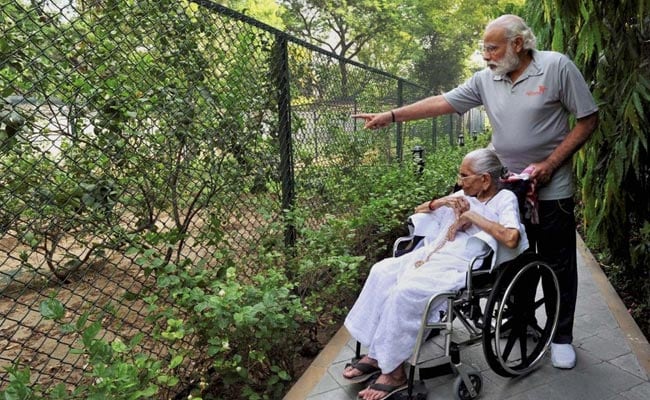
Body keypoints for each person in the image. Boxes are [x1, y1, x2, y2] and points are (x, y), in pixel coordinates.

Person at [352, 14, 598, 371]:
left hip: (551, 187)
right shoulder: (486, 80)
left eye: (492, 48)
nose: (486, 56)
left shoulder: (556, 67)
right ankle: (521, 321)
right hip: (508, 188)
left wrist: (550, 164)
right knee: (513, 259)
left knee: (558, 261)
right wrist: (391, 116)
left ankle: (561, 337)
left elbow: (588, 119)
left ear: (518, 44)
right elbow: (442, 102)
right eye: (484, 49)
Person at [343, 148, 528, 400]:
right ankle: (377, 354)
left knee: (404, 291)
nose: (459, 181)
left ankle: (394, 373)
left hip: (461, 262)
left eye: (464, 175)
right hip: (433, 252)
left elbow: (511, 237)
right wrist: (441, 202)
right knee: (381, 271)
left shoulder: (504, 199)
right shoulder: (463, 193)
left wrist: (473, 216)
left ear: (485, 179)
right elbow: (420, 211)